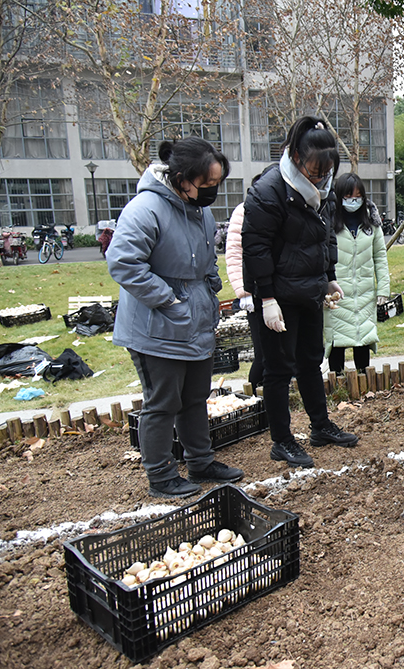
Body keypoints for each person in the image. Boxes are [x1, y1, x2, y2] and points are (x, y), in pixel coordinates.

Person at [108, 137, 244, 499]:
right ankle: (161, 475)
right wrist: (168, 299)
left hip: (194, 322)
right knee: (162, 402)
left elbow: (205, 259)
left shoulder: (199, 210)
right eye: (207, 183)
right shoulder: (145, 209)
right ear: (182, 178)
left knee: (195, 397)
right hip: (156, 327)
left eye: (217, 183)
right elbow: (123, 262)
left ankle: (200, 462)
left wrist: (211, 288)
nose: (213, 190)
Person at [242, 116, 358, 470]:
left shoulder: (323, 191)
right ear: (295, 156)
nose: (320, 178)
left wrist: (328, 277)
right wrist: (266, 299)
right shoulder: (268, 191)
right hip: (277, 295)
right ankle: (282, 440)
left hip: (309, 289)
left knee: (311, 360)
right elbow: (256, 248)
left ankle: (320, 426)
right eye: (314, 171)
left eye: (326, 172)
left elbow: (326, 237)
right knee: (278, 368)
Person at [324, 172, 391, 375]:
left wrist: (383, 289)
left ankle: (364, 384)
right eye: (348, 197)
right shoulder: (329, 222)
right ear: (339, 197)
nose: (354, 201)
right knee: (337, 342)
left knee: (363, 340)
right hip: (337, 293)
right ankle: (337, 385)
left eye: (358, 196)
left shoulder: (371, 223)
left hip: (364, 293)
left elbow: (380, 256)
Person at [225, 192, 265, 390]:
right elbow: (234, 254)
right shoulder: (243, 210)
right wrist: (243, 291)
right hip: (253, 291)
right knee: (263, 353)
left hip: (279, 290)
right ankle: (254, 393)